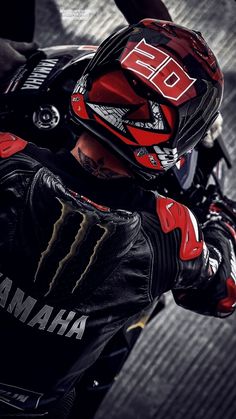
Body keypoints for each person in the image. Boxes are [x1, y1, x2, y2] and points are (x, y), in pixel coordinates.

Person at [0, 6, 236, 419]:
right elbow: (224, 294)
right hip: (38, 406)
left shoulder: (6, 155)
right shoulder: (171, 234)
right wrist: (218, 215)